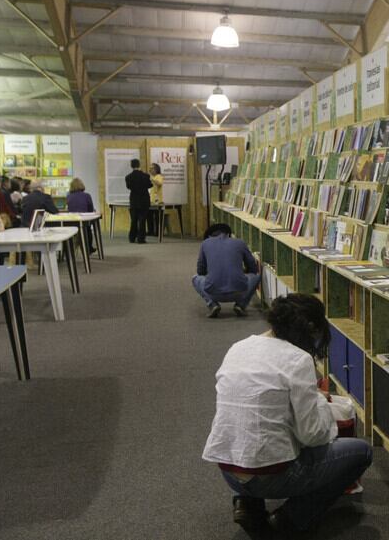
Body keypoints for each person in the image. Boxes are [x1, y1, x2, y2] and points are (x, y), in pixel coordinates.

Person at [202, 293, 373, 533]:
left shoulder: (239, 347)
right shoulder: (298, 359)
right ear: (311, 328)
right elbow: (312, 435)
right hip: (270, 477)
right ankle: (289, 520)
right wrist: (322, 407)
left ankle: (246, 503)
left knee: (252, 427)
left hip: (228, 470)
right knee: (362, 452)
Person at [191, 223, 260, 317]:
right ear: (228, 234)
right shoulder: (240, 242)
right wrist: (241, 271)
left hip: (213, 293)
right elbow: (253, 268)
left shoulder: (205, 244)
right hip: (239, 291)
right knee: (256, 277)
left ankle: (212, 304)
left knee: (195, 278)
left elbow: (200, 271)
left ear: (209, 236)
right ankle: (241, 305)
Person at [124, 159, 151, 244]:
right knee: (142, 220)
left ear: (131, 166)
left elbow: (128, 187)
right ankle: (141, 239)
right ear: (139, 165)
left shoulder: (128, 177)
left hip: (134, 200)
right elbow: (150, 185)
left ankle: (132, 237)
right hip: (144, 200)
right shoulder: (146, 176)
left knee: (134, 220)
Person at [67, 177, 96, 253]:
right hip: (84, 220)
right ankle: (89, 248)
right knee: (88, 230)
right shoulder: (87, 195)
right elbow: (91, 209)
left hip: (72, 221)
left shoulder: (68, 196)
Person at [146, 163, 164, 236]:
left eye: (152, 168)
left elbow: (159, 183)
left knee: (157, 218)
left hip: (158, 201)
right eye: (150, 168)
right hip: (150, 201)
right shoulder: (151, 178)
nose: (150, 169)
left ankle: (158, 232)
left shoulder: (159, 176)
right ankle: (151, 231)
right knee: (149, 217)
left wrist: (152, 179)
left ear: (156, 169)